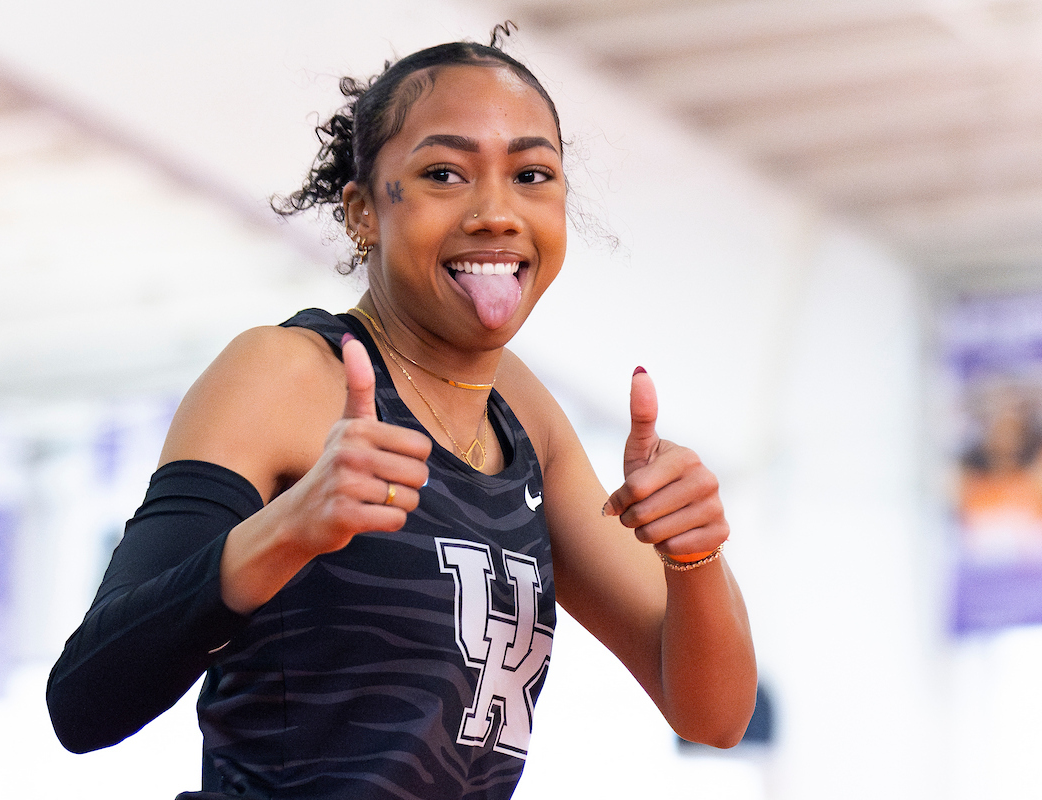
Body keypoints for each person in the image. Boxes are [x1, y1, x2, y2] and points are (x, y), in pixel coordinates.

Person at [47, 29, 756, 800]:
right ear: (362, 212)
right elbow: (84, 701)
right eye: (444, 173)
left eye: (531, 175)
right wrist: (289, 530)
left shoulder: (522, 413)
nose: (497, 212)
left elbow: (713, 715)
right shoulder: (284, 373)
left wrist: (696, 557)